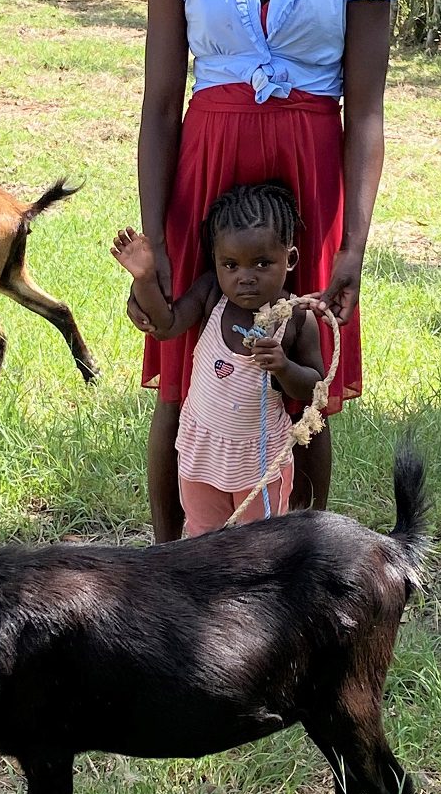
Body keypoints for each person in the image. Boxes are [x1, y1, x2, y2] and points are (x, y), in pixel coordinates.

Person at [130, 0, 395, 541]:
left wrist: (352, 244)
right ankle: (168, 560)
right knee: (185, 373)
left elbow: (366, 114)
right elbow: (160, 103)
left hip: (309, 176)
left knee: (303, 375)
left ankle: (306, 556)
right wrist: (158, 234)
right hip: (206, 170)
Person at [113, 180, 324, 535]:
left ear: (289, 260)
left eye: (262, 264)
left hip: (260, 460)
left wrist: (284, 368)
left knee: (260, 544)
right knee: (203, 539)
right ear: (216, 262)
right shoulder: (212, 294)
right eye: (231, 265)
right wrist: (145, 279)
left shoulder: (296, 318)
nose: (246, 278)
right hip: (202, 453)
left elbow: (315, 388)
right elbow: (166, 326)